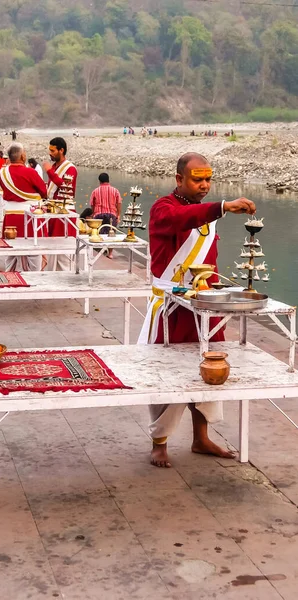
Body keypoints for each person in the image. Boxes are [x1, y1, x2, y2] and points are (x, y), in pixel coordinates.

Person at [138, 152, 256, 469]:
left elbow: (210, 263)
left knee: (209, 372)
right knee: (166, 373)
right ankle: (159, 442)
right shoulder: (163, 208)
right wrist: (222, 206)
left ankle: (200, 437)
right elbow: (180, 220)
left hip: (203, 306)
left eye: (208, 179)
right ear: (179, 180)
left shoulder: (205, 214)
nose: (204, 185)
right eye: (197, 179)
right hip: (171, 308)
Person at [0, 143, 47, 271]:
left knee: (11, 249)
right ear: (23, 155)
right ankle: (36, 277)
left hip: (10, 217)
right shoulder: (30, 172)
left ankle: (9, 275)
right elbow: (43, 191)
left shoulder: (3, 172)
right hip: (29, 216)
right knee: (33, 248)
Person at [42, 137, 78, 271]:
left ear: (61, 150)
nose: (50, 153)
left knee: (63, 248)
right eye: (49, 150)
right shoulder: (54, 167)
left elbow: (65, 187)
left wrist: (49, 172)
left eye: (53, 150)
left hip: (65, 212)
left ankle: (66, 276)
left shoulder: (70, 168)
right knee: (51, 245)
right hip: (53, 210)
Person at [90, 173, 122, 259]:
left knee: (100, 233)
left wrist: (93, 214)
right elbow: (118, 203)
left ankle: (101, 251)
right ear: (108, 180)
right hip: (112, 214)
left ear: (99, 181)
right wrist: (118, 214)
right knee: (111, 234)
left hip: (98, 214)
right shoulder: (115, 191)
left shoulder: (95, 191)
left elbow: (92, 204)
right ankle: (110, 253)